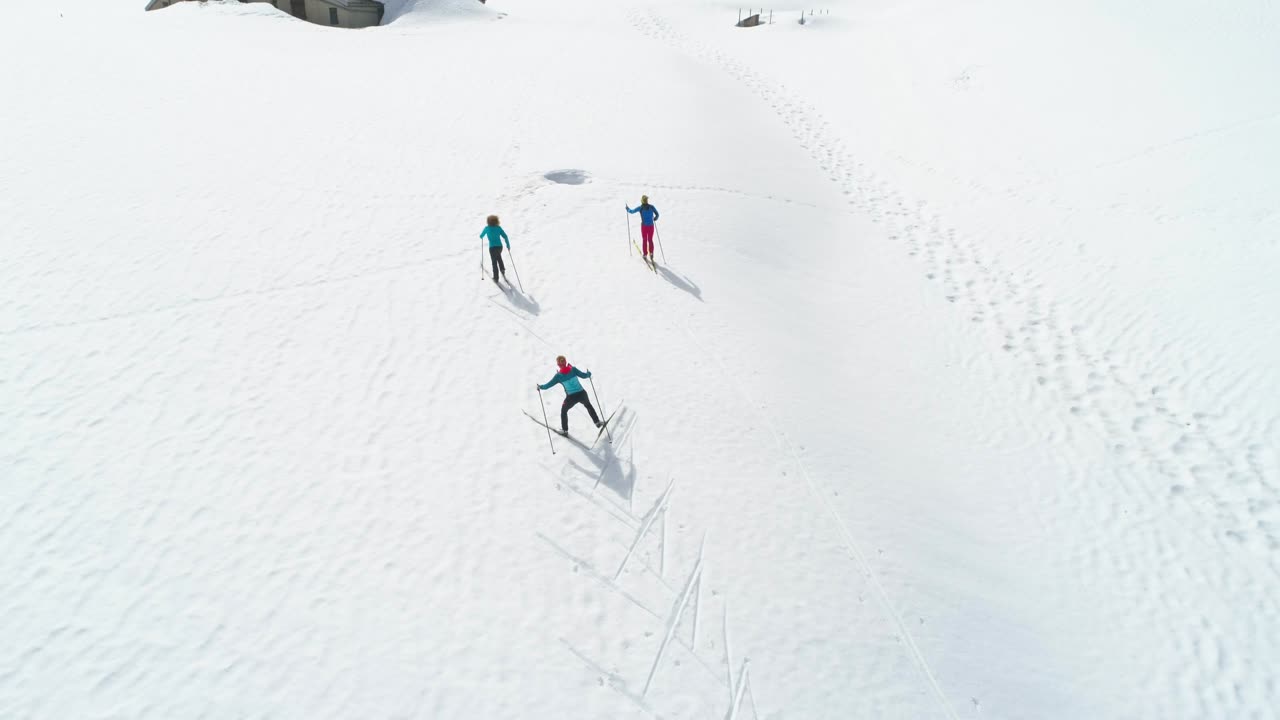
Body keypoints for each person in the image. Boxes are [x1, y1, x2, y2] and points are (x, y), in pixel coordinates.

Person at [537, 355, 602, 435]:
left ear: (558, 365)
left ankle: (565, 431)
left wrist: (540, 387)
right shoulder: (573, 369)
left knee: (564, 411)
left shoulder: (558, 376)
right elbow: (584, 376)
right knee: (588, 405)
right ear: (565, 361)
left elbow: (548, 385)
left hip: (571, 397)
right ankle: (597, 422)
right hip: (582, 393)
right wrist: (588, 373)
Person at [626, 195, 660, 262]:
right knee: (650, 239)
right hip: (651, 226)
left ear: (642, 200)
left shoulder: (640, 208)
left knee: (644, 240)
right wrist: (655, 218)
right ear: (647, 200)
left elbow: (632, 211)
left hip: (644, 227)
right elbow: (657, 214)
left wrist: (627, 209)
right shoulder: (651, 207)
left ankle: (645, 254)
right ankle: (651, 253)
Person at [480, 215, 510, 283]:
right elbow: (505, 236)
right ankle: (502, 269)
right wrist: (508, 245)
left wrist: (482, 236)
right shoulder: (498, 228)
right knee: (499, 257)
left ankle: (496, 278)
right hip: (499, 247)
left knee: (494, 262)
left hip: (492, 248)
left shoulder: (486, 228)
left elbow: (481, 235)